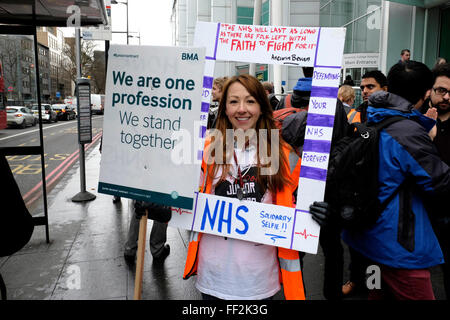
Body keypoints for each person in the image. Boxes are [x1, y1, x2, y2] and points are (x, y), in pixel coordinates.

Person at [182, 74, 329, 300]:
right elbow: (183, 201)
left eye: (250, 101)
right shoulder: (203, 150)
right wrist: (161, 203)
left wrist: (315, 214)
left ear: (262, 106)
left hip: (260, 280)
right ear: (224, 108)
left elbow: (298, 208)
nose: (242, 109)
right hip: (213, 276)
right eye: (233, 101)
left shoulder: (284, 154)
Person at [342, 60, 449, 300]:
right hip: (399, 250)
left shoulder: (373, 119)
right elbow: (440, 183)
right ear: (426, 94)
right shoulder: (409, 133)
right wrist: (430, 138)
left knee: (376, 293)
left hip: (367, 242)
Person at [418, 62, 450, 299]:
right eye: (441, 90)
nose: (447, 96)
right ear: (430, 90)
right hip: (419, 209)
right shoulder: (415, 119)